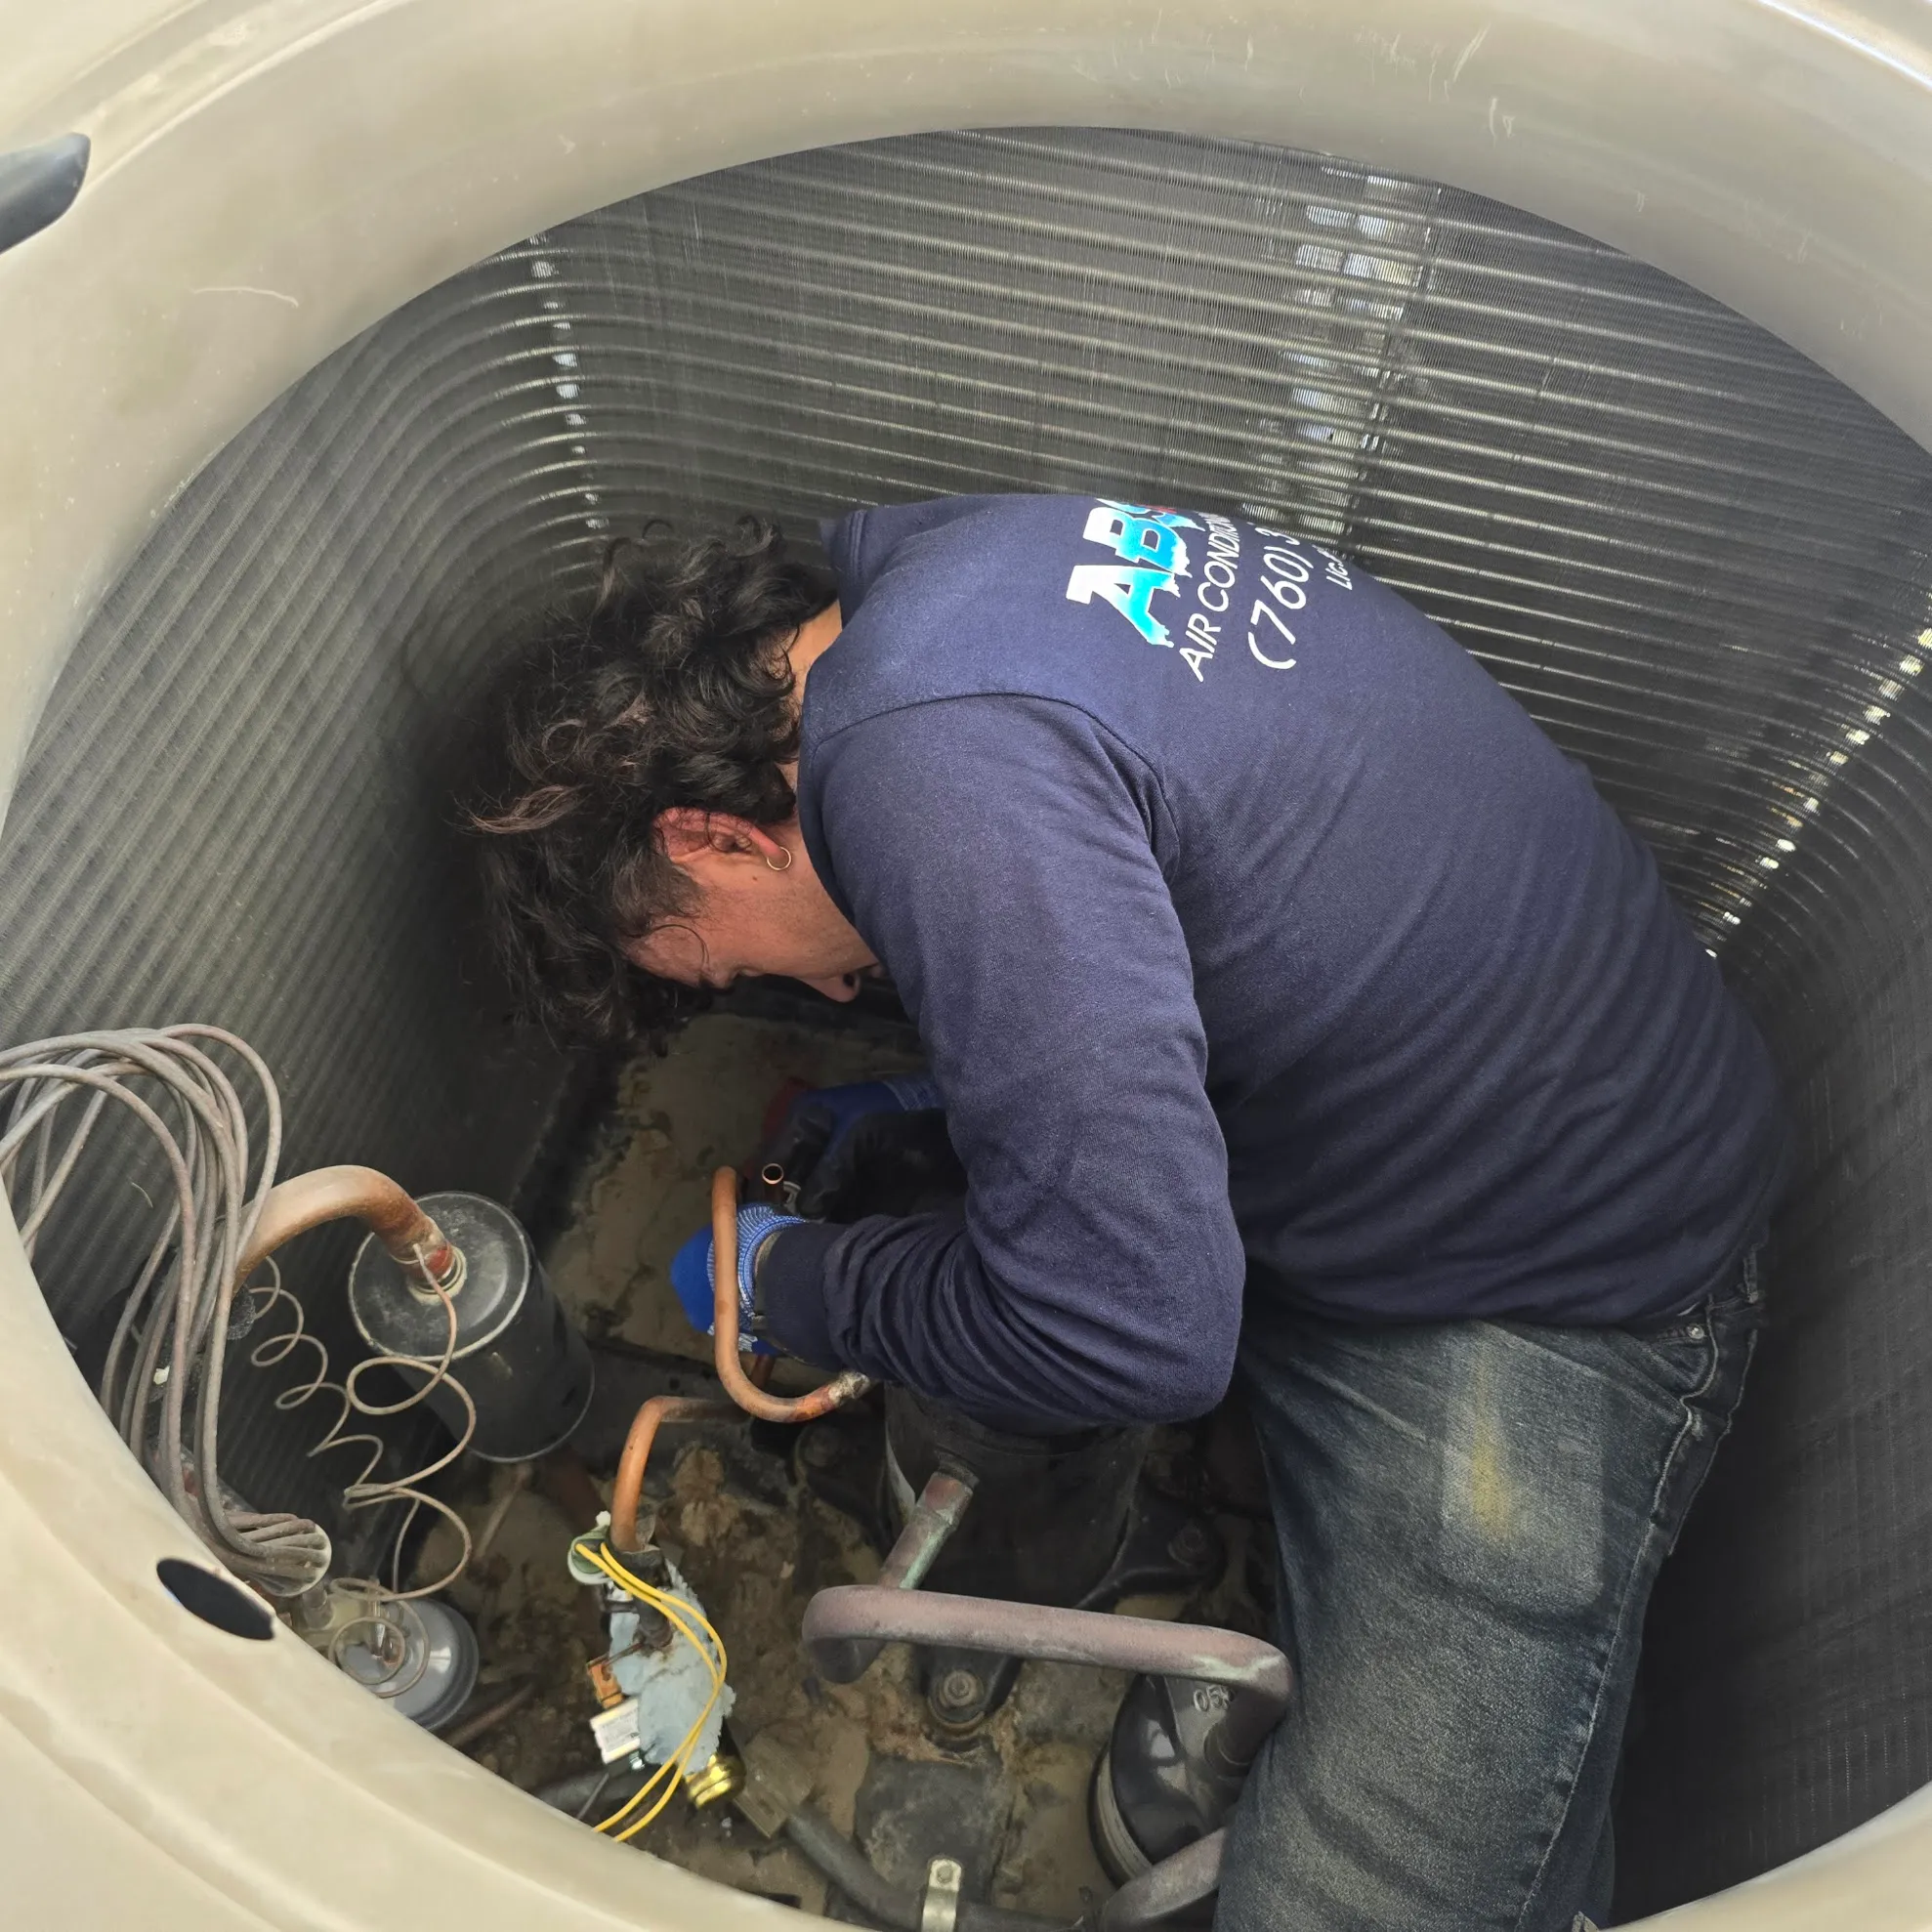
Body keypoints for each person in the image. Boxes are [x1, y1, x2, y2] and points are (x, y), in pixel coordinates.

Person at [467, 495, 1787, 1932]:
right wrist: (937, 1120)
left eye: (713, 964)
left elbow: (1122, 1334)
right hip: (1431, 1112)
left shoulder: (928, 773)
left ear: (711, 834)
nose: (820, 994)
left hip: (1554, 1270)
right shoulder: (936, 567)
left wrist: (799, 1289)